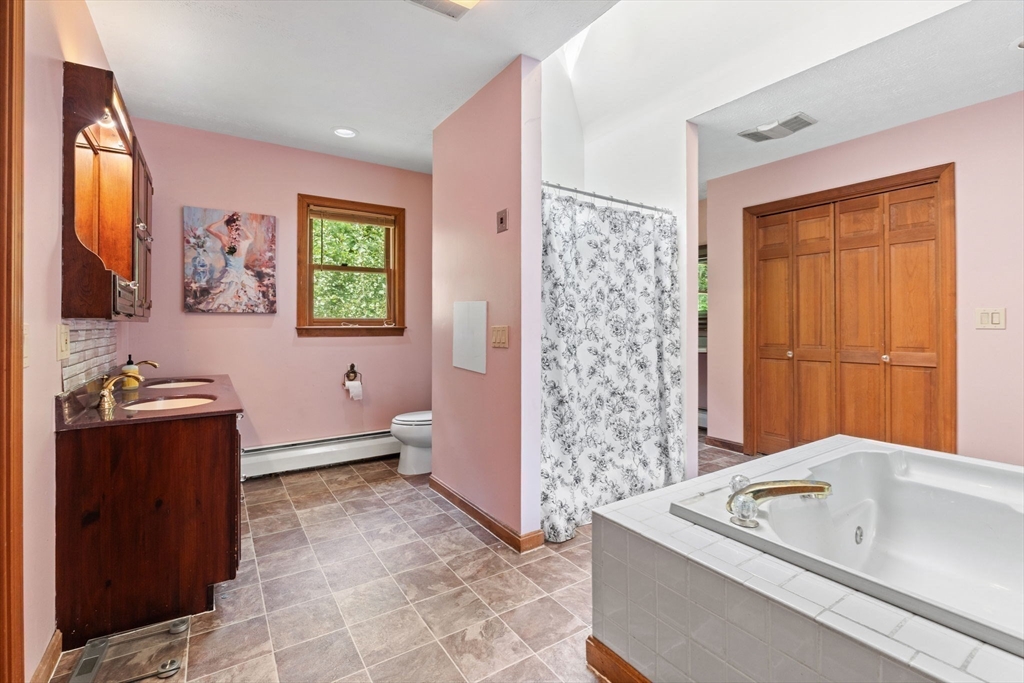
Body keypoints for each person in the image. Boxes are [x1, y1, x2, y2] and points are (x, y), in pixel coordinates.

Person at [198, 212, 269, 313]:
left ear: (228, 228)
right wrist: (243, 228)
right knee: (239, 297)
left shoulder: (226, 239)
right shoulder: (241, 242)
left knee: (229, 297)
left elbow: (209, 228)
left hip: (233, 275)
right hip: (238, 275)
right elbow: (251, 238)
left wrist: (223, 220)